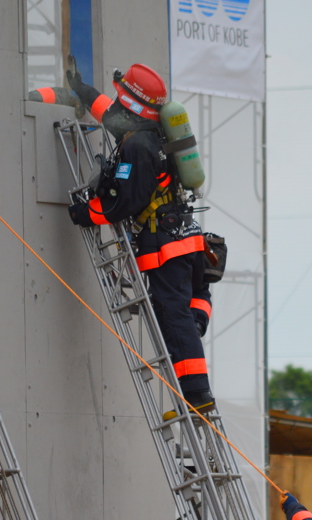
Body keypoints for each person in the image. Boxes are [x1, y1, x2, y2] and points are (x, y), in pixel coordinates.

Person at [67, 63, 216, 413]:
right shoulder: (157, 132)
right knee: (195, 301)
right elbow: (109, 112)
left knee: (172, 316)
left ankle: (197, 395)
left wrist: (85, 213)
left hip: (165, 247)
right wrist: (81, 88)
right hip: (190, 240)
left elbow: (124, 203)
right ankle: (196, 329)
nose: (116, 105)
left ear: (131, 105)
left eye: (122, 98)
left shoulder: (137, 147)